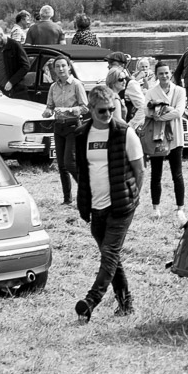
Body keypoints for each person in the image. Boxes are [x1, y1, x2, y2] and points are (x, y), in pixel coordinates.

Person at [74, 86, 143, 321]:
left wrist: (134, 197)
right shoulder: (82, 134)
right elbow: (81, 169)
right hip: (95, 207)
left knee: (110, 252)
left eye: (112, 109)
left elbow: (139, 168)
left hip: (121, 205)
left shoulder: (125, 132)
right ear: (91, 109)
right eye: (102, 111)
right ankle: (126, 303)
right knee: (111, 257)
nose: (108, 115)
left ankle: (91, 301)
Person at [144, 60, 188, 216]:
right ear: (156, 75)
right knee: (156, 173)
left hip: (175, 135)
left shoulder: (179, 91)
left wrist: (160, 115)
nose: (164, 76)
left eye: (166, 73)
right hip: (158, 136)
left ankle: (180, 208)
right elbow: (147, 112)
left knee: (177, 173)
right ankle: (156, 207)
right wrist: (161, 112)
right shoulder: (151, 92)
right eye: (161, 73)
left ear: (171, 73)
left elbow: (179, 112)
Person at [45, 56, 88, 206]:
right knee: (61, 164)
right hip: (58, 126)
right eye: (58, 67)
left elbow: (85, 107)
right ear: (54, 69)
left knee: (70, 162)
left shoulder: (76, 85)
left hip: (73, 126)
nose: (61, 69)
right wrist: (47, 111)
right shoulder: (53, 87)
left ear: (69, 67)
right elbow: (50, 105)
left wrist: (69, 109)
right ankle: (67, 199)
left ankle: (85, 189)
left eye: (63, 66)